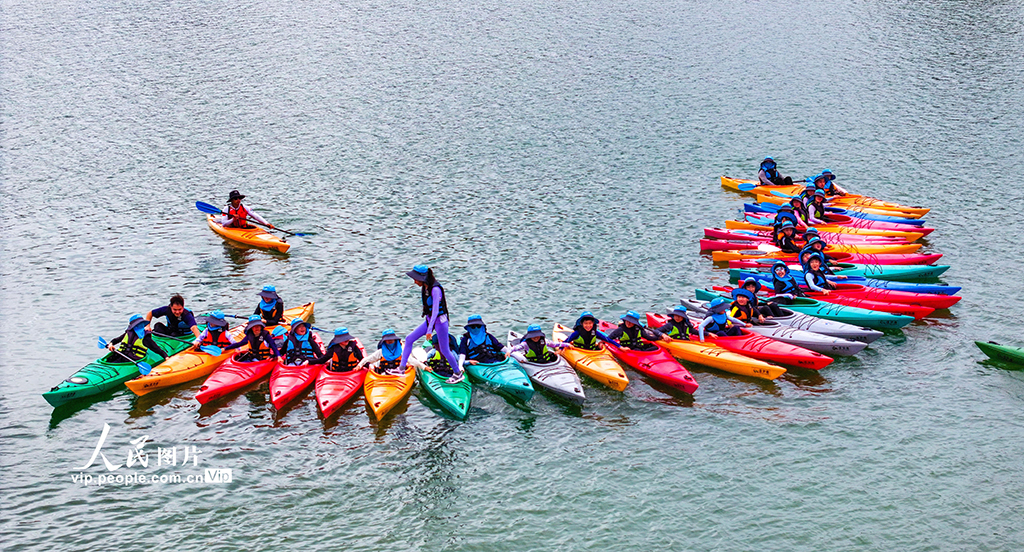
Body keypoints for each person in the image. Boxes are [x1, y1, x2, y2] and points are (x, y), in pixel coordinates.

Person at [397, 265, 463, 383]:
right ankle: (401, 369)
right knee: (409, 339)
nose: (415, 281)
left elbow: (436, 311)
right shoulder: (425, 288)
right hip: (429, 321)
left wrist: (429, 330)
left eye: (416, 279)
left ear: (423, 278)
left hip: (440, 322)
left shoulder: (435, 289)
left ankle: (458, 373)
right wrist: (429, 325)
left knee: (444, 349)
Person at [604, 311, 671, 351]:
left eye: (631, 321)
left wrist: (659, 338)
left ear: (635, 323)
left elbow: (648, 337)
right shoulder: (621, 329)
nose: (628, 323)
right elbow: (609, 339)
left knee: (655, 347)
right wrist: (619, 347)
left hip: (639, 347)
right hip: (629, 350)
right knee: (638, 350)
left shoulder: (638, 328)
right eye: (627, 321)